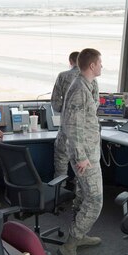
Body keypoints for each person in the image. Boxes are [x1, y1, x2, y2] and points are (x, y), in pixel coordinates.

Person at [55, 48, 104, 255]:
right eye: (100, 63)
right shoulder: (78, 89)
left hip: (90, 152)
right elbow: (72, 126)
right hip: (84, 156)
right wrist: (82, 156)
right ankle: (70, 245)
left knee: (84, 195)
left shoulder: (86, 85)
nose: (102, 66)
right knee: (95, 200)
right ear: (92, 65)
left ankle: (80, 233)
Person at [50, 50, 79, 182]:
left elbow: (55, 103)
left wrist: (66, 111)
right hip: (81, 132)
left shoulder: (62, 76)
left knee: (61, 162)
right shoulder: (90, 78)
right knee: (82, 167)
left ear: (70, 62)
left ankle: (59, 192)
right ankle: (79, 197)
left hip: (66, 129)